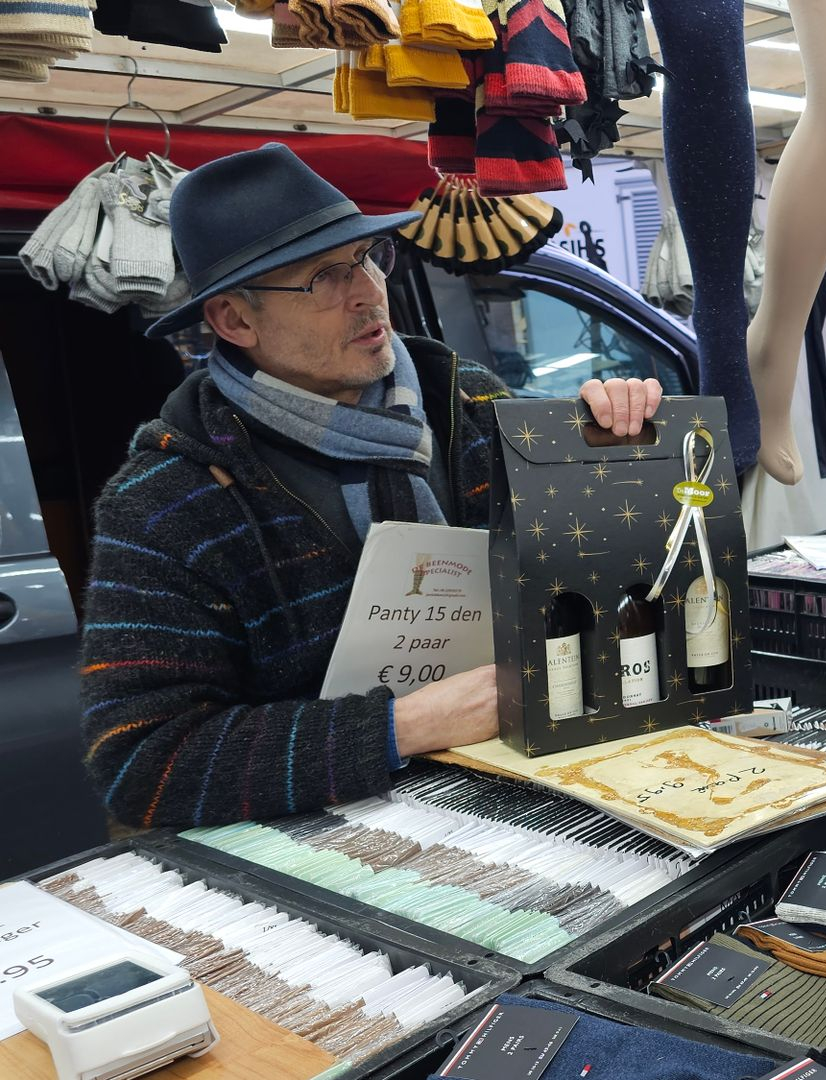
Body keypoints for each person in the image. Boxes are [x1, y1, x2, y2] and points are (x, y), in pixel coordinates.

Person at [79, 145, 664, 829]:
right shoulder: (165, 503)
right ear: (235, 321)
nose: (365, 292)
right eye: (323, 278)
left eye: (365, 257)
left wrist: (612, 450)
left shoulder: (470, 404)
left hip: (532, 797)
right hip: (329, 853)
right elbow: (142, 765)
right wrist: (400, 726)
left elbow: (587, 580)